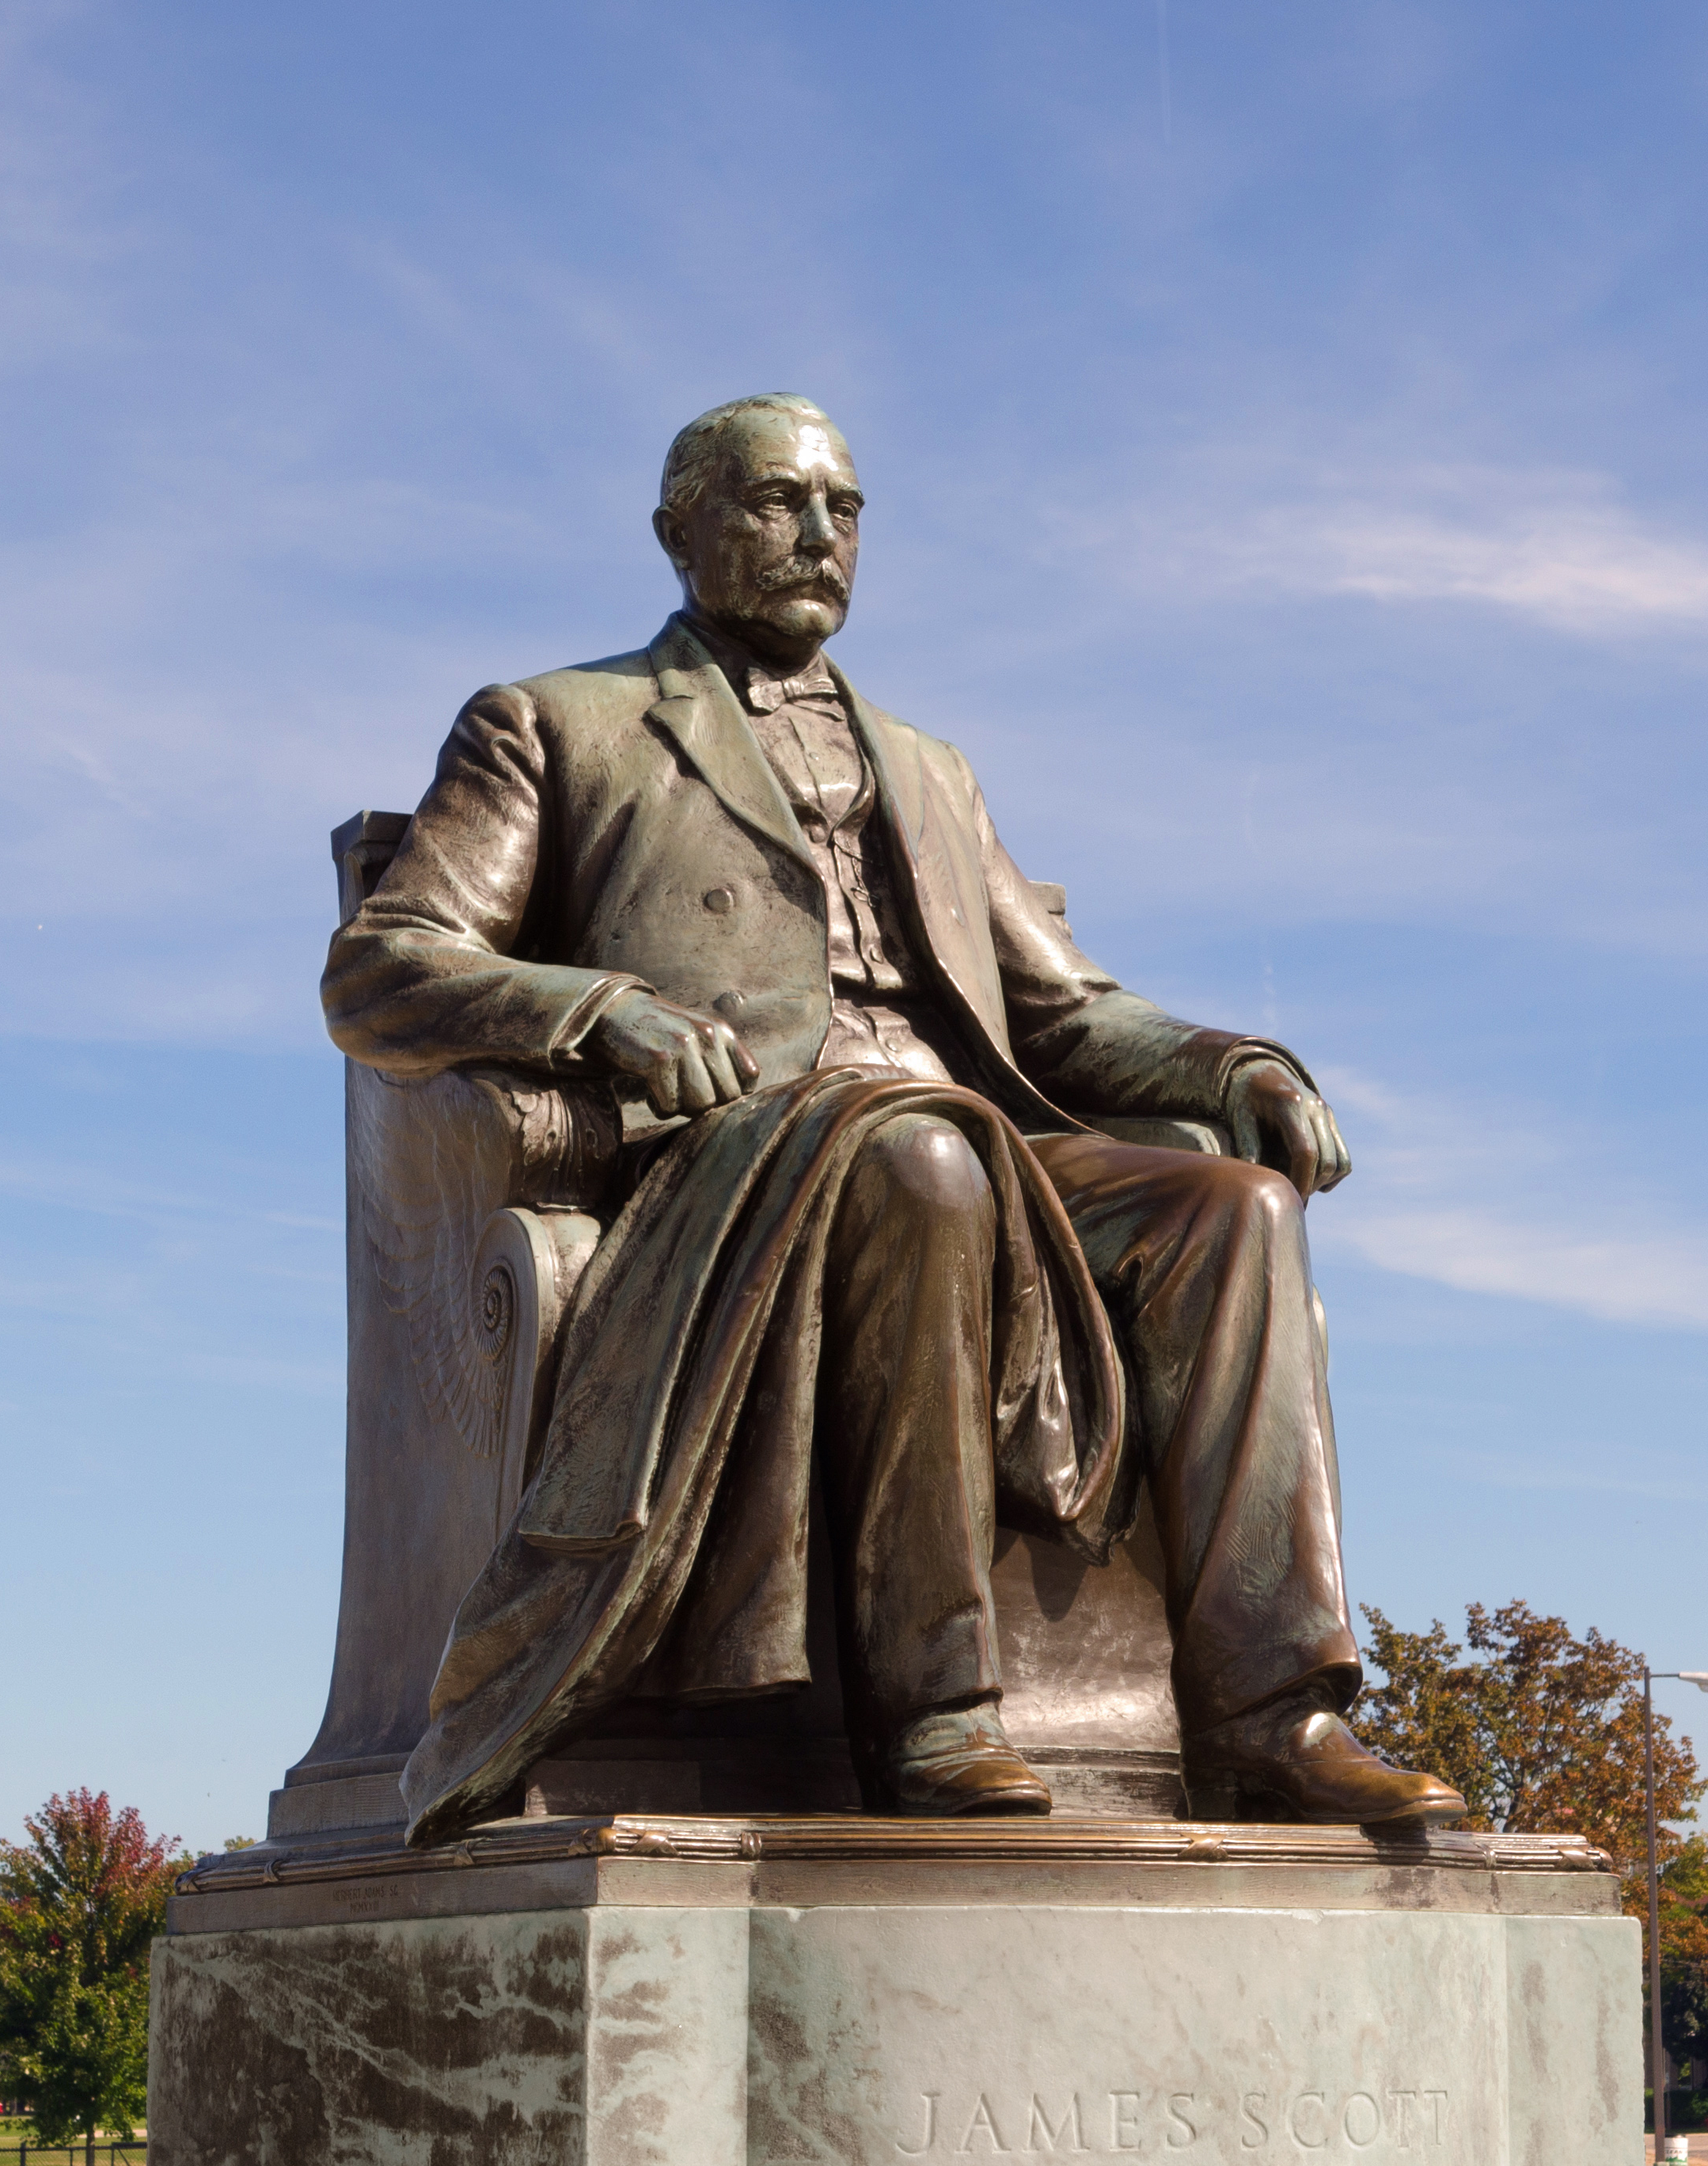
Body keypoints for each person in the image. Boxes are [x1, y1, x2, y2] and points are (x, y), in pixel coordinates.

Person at [325, 394, 1458, 1838]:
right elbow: (382, 965)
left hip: (972, 1132)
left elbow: (1061, 1014)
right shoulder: (554, 723)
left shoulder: (930, 766)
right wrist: (599, 1012)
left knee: (1236, 1208)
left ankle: (1271, 1710)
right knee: (923, 1157)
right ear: (679, 533)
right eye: (775, 502)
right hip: (744, 1158)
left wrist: (1233, 1069)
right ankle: (936, 1709)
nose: (818, 535)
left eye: (843, 509)